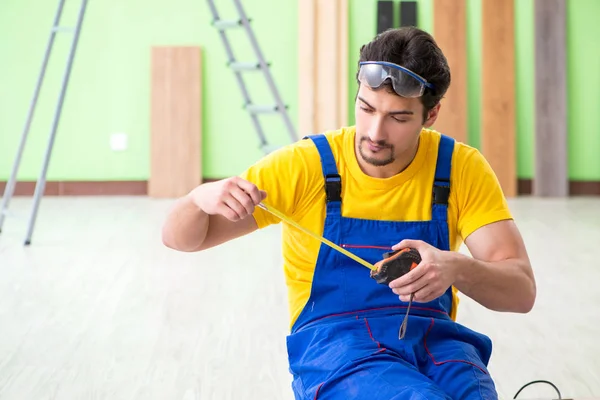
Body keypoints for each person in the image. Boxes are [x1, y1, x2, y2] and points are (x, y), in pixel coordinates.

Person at [161, 26, 536, 400]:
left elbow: (521, 293)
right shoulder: (307, 165)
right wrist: (197, 199)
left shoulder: (459, 168)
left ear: (432, 113)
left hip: (438, 345)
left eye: (399, 118)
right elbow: (180, 239)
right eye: (367, 108)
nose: (375, 131)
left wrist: (456, 267)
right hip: (338, 346)